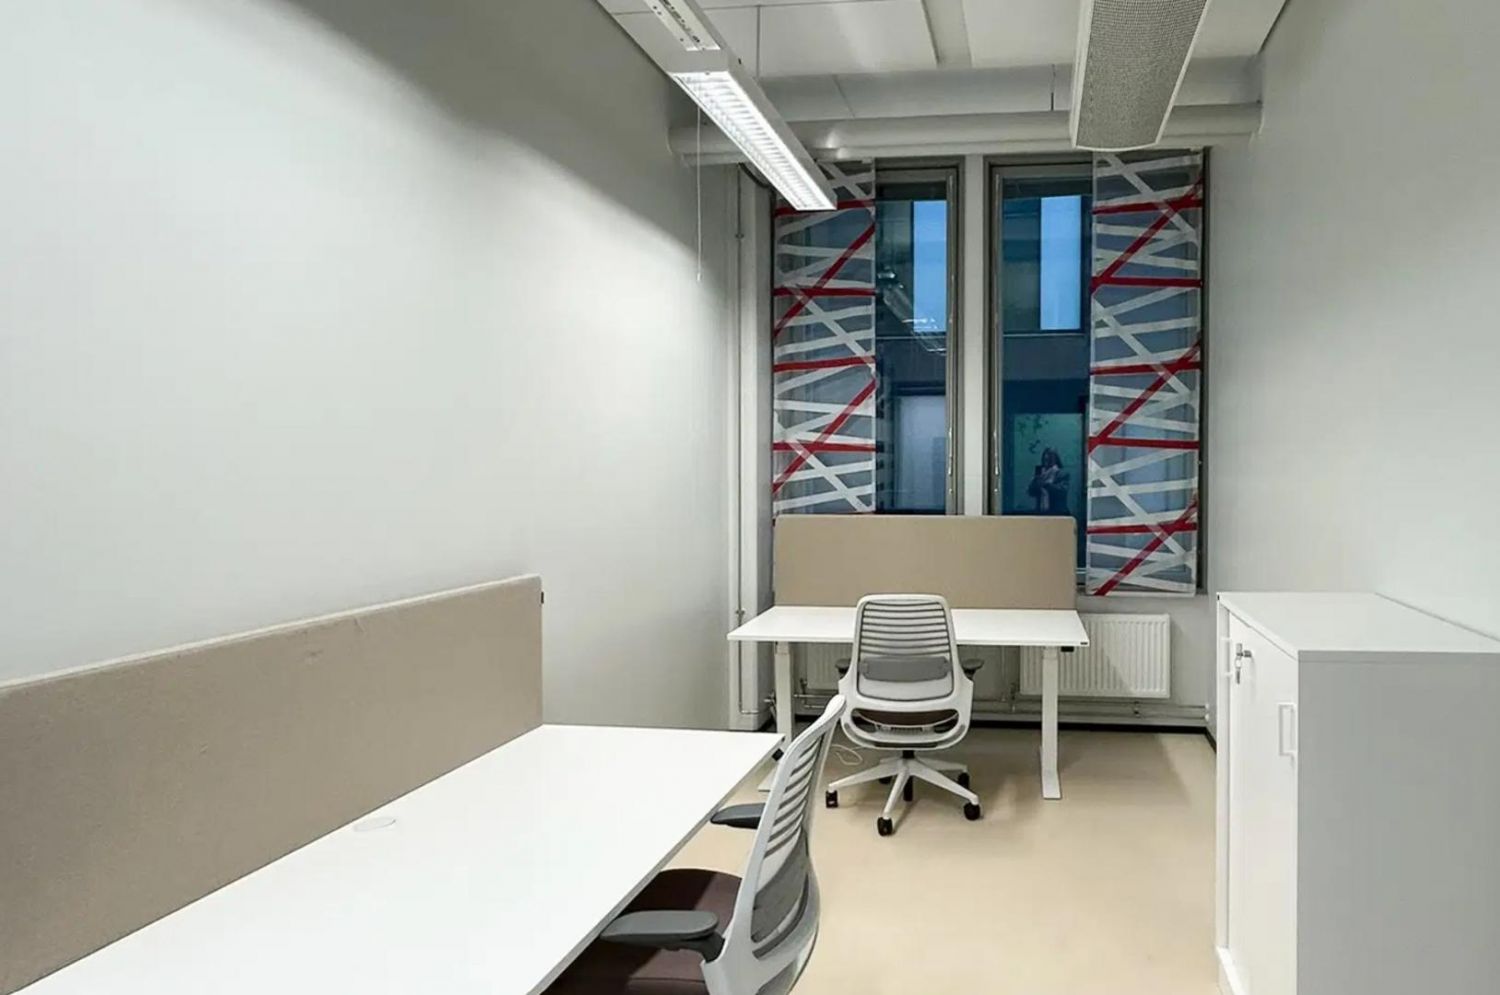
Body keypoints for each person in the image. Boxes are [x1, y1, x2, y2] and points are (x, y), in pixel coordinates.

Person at [1026, 448, 1070, 515]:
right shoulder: (1041, 474)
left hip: (1058, 513)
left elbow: (1062, 491)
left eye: (1050, 460)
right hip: (1041, 512)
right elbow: (1031, 492)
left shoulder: (1062, 474)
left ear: (1055, 460)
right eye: (1045, 460)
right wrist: (1035, 481)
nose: (1047, 463)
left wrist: (1046, 485)